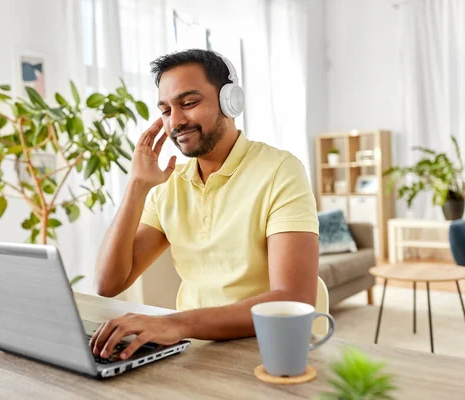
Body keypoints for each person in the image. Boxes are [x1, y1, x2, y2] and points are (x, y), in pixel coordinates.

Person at [90, 49, 319, 361]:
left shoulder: (280, 170)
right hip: (193, 349)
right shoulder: (168, 184)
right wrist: (137, 186)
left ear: (230, 101)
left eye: (189, 103)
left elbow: (295, 298)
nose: (176, 121)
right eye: (166, 110)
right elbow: (108, 283)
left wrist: (175, 323)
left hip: (266, 348)